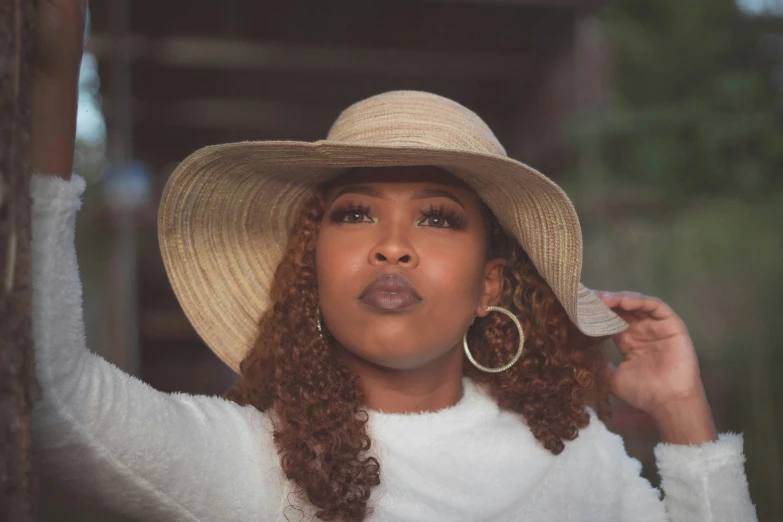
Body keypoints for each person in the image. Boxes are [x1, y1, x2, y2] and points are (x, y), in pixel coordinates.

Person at [29, 1, 757, 521]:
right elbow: (54, 394)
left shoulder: (574, 451)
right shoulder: (256, 464)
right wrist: (57, 82)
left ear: (489, 286)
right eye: (354, 213)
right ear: (310, 271)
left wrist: (682, 414)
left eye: (437, 218)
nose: (392, 243)